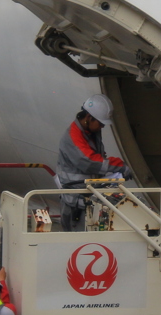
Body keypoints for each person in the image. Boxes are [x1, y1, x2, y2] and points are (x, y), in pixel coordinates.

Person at [55, 94, 132, 231]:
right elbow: (90, 161)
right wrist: (120, 166)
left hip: (86, 196)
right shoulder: (73, 136)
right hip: (75, 202)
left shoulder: (89, 133)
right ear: (89, 118)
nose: (102, 127)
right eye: (101, 123)